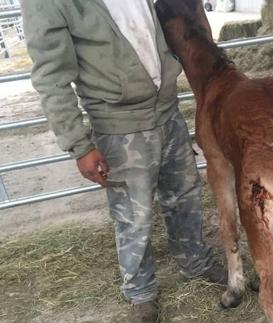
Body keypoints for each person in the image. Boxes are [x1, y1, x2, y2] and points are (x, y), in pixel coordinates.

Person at [21, 0, 226, 321]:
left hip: (167, 110)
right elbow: (51, 76)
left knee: (185, 196)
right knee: (133, 214)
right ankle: (141, 291)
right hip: (119, 124)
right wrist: (79, 144)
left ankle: (195, 261)